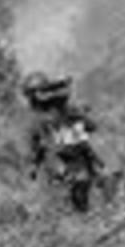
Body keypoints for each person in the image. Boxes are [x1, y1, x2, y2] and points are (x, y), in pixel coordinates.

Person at [24, 71, 105, 213]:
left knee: (85, 180)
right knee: (73, 185)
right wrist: (34, 165)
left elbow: (88, 127)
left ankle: (86, 206)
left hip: (74, 154)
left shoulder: (63, 110)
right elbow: (37, 146)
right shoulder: (39, 120)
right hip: (61, 158)